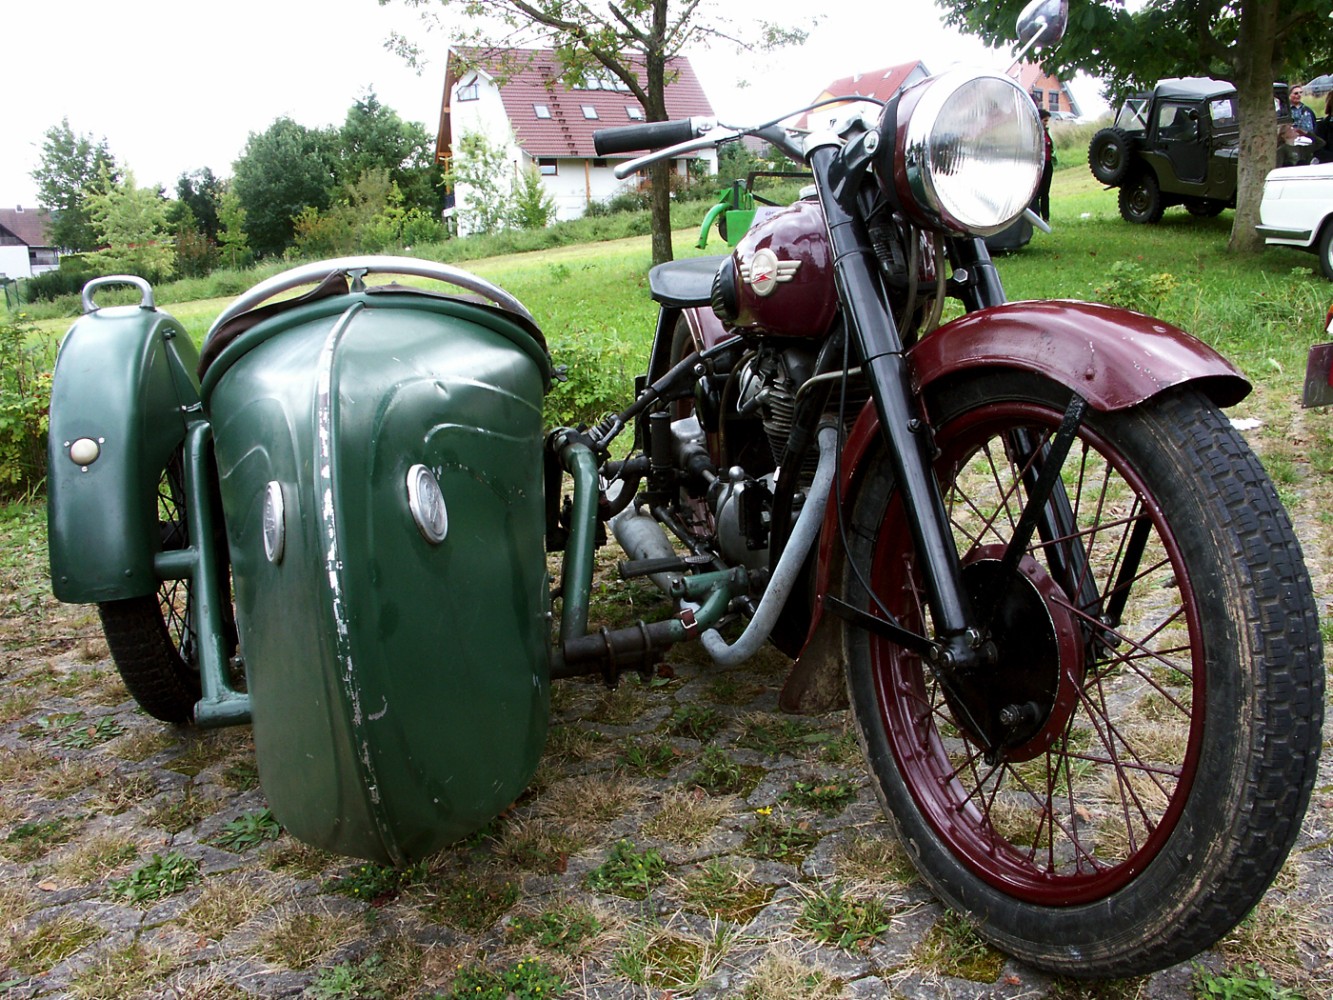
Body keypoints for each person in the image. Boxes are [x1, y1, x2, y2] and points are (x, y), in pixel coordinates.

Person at [1032, 108, 1055, 221]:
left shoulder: (1047, 132)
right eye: (1044, 120)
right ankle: (1036, 217)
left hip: (1048, 164)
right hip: (1038, 166)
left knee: (1045, 192)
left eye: (1047, 121)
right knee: (1037, 193)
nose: (1046, 123)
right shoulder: (1034, 133)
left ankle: (1046, 217)